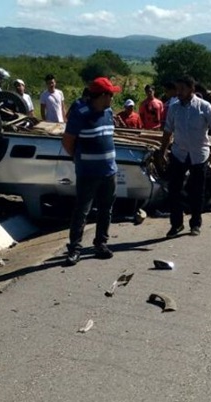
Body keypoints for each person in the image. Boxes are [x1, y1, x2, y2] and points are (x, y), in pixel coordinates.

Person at [61, 77, 122, 265]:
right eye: (111, 95)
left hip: (109, 171)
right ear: (103, 96)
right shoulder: (80, 113)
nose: (113, 99)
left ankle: (100, 243)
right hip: (88, 172)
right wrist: (78, 158)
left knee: (106, 209)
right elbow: (68, 141)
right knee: (82, 211)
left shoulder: (108, 111)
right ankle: (75, 249)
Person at [159, 75, 211, 238]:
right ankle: (176, 224)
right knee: (174, 190)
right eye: (177, 89)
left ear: (191, 89)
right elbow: (168, 132)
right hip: (179, 153)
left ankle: (195, 223)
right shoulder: (174, 108)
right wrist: (162, 152)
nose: (178, 92)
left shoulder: (204, 107)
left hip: (198, 154)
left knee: (197, 191)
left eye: (182, 89)